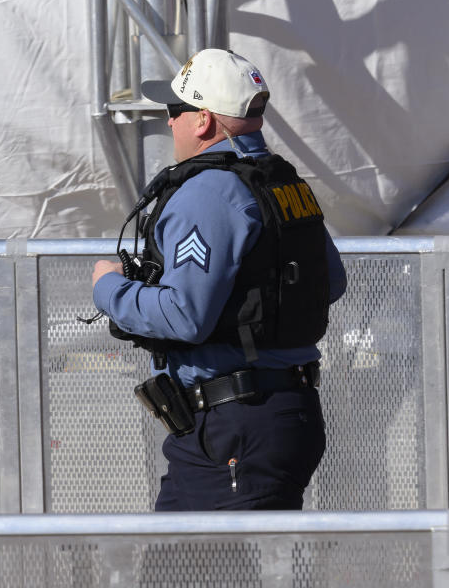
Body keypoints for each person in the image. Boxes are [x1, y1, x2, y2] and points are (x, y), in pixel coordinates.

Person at [91, 48, 347, 511]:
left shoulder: (207, 193)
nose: (169, 123)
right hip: (281, 414)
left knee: (185, 571)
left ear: (203, 122)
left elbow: (185, 316)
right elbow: (333, 281)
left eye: (175, 111)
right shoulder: (283, 181)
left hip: (236, 426)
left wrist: (108, 288)